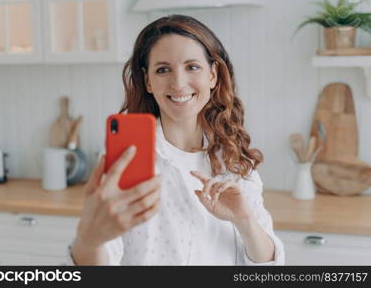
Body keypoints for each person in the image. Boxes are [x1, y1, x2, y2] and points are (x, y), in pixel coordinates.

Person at [69, 14, 285, 265]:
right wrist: (89, 240)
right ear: (148, 81)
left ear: (213, 75)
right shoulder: (126, 160)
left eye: (192, 67)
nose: (179, 83)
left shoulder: (233, 159)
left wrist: (244, 220)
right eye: (163, 70)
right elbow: (102, 261)